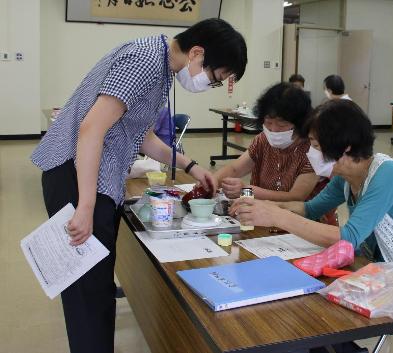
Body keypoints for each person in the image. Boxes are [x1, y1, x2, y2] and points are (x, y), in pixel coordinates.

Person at [31, 18, 247, 353]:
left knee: (96, 291)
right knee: (88, 296)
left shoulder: (159, 66)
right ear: (197, 52)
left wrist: (190, 165)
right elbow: (92, 129)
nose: (210, 84)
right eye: (215, 77)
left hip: (90, 178)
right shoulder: (147, 61)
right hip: (79, 178)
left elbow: (140, 135)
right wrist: (86, 205)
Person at [231, 100, 393, 353]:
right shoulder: (346, 176)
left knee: (316, 302)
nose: (310, 153)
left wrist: (276, 216)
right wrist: (260, 206)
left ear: (345, 147)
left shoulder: (387, 173)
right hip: (384, 270)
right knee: (308, 296)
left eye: (316, 146)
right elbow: (310, 209)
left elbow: (349, 238)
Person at [214, 82, 318, 201]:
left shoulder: (313, 149)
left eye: (282, 124)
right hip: (260, 213)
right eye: (268, 123)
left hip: (296, 217)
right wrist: (212, 182)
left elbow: (295, 197)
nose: (273, 130)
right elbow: (235, 169)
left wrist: (245, 192)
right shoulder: (263, 140)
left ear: (300, 124)